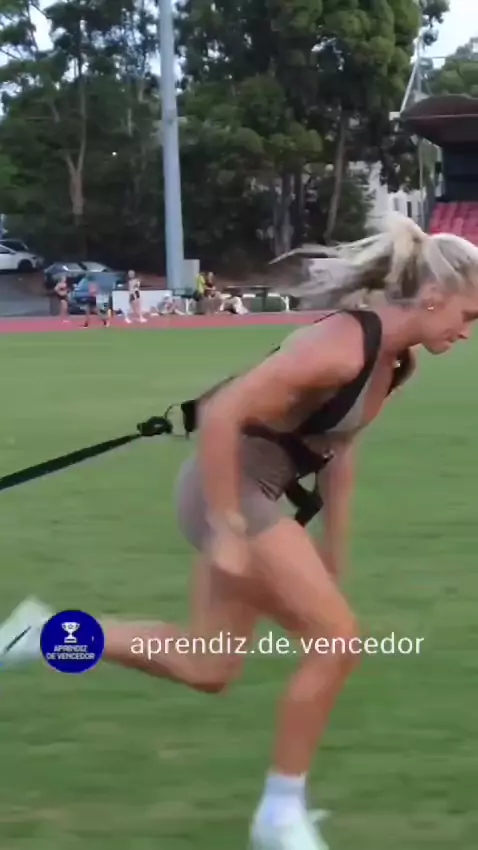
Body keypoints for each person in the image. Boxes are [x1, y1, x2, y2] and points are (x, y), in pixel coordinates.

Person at [3, 214, 478, 850]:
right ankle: (280, 814)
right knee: (338, 642)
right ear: (434, 296)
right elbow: (224, 412)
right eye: (469, 316)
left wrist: (334, 552)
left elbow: (340, 451)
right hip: (225, 489)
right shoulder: (341, 344)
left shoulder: (395, 364)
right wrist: (228, 530)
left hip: (253, 497)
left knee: (207, 665)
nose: (467, 332)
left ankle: (43, 635)